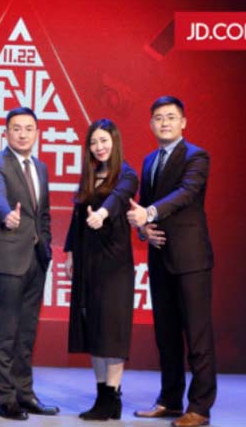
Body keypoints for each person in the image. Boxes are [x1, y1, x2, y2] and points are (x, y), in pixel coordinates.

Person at [127, 96, 216, 427]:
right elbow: (144, 206)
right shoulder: (150, 160)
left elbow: (186, 194)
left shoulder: (197, 156)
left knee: (197, 334)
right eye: (158, 118)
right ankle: (170, 400)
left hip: (191, 258)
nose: (164, 123)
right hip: (160, 255)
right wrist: (143, 230)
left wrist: (148, 213)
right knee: (166, 334)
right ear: (151, 124)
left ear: (183, 122)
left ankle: (200, 407)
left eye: (171, 117)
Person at [0, 107, 59, 421]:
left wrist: (47, 246)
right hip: (7, 259)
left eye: (29, 128)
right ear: (6, 133)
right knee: (8, 331)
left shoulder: (40, 167)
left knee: (27, 333)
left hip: (36, 259)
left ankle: (25, 394)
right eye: (16, 128)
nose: (23, 134)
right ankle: (5, 398)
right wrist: (6, 215)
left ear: (37, 133)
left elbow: (44, 213)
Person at [63, 119, 139, 421]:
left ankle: (111, 396)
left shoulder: (127, 174)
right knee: (93, 329)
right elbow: (76, 217)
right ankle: (103, 397)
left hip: (114, 264)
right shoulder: (89, 176)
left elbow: (118, 198)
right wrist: (70, 252)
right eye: (93, 142)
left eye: (104, 140)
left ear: (115, 142)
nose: (99, 147)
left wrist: (103, 214)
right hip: (87, 261)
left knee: (112, 331)